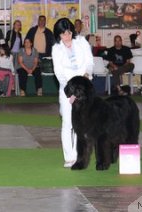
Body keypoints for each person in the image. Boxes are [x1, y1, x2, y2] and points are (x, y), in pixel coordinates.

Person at [51, 18, 93, 168]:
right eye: (63, 35)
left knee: (80, 123)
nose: (67, 37)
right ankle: (69, 157)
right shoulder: (56, 48)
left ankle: (78, 155)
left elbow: (89, 62)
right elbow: (59, 72)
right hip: (67, 89)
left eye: (68, 33)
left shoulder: (82, 42)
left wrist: (86, 76)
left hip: (83, 87)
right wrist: (71, 91)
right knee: (68, 122)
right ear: (58, 35)